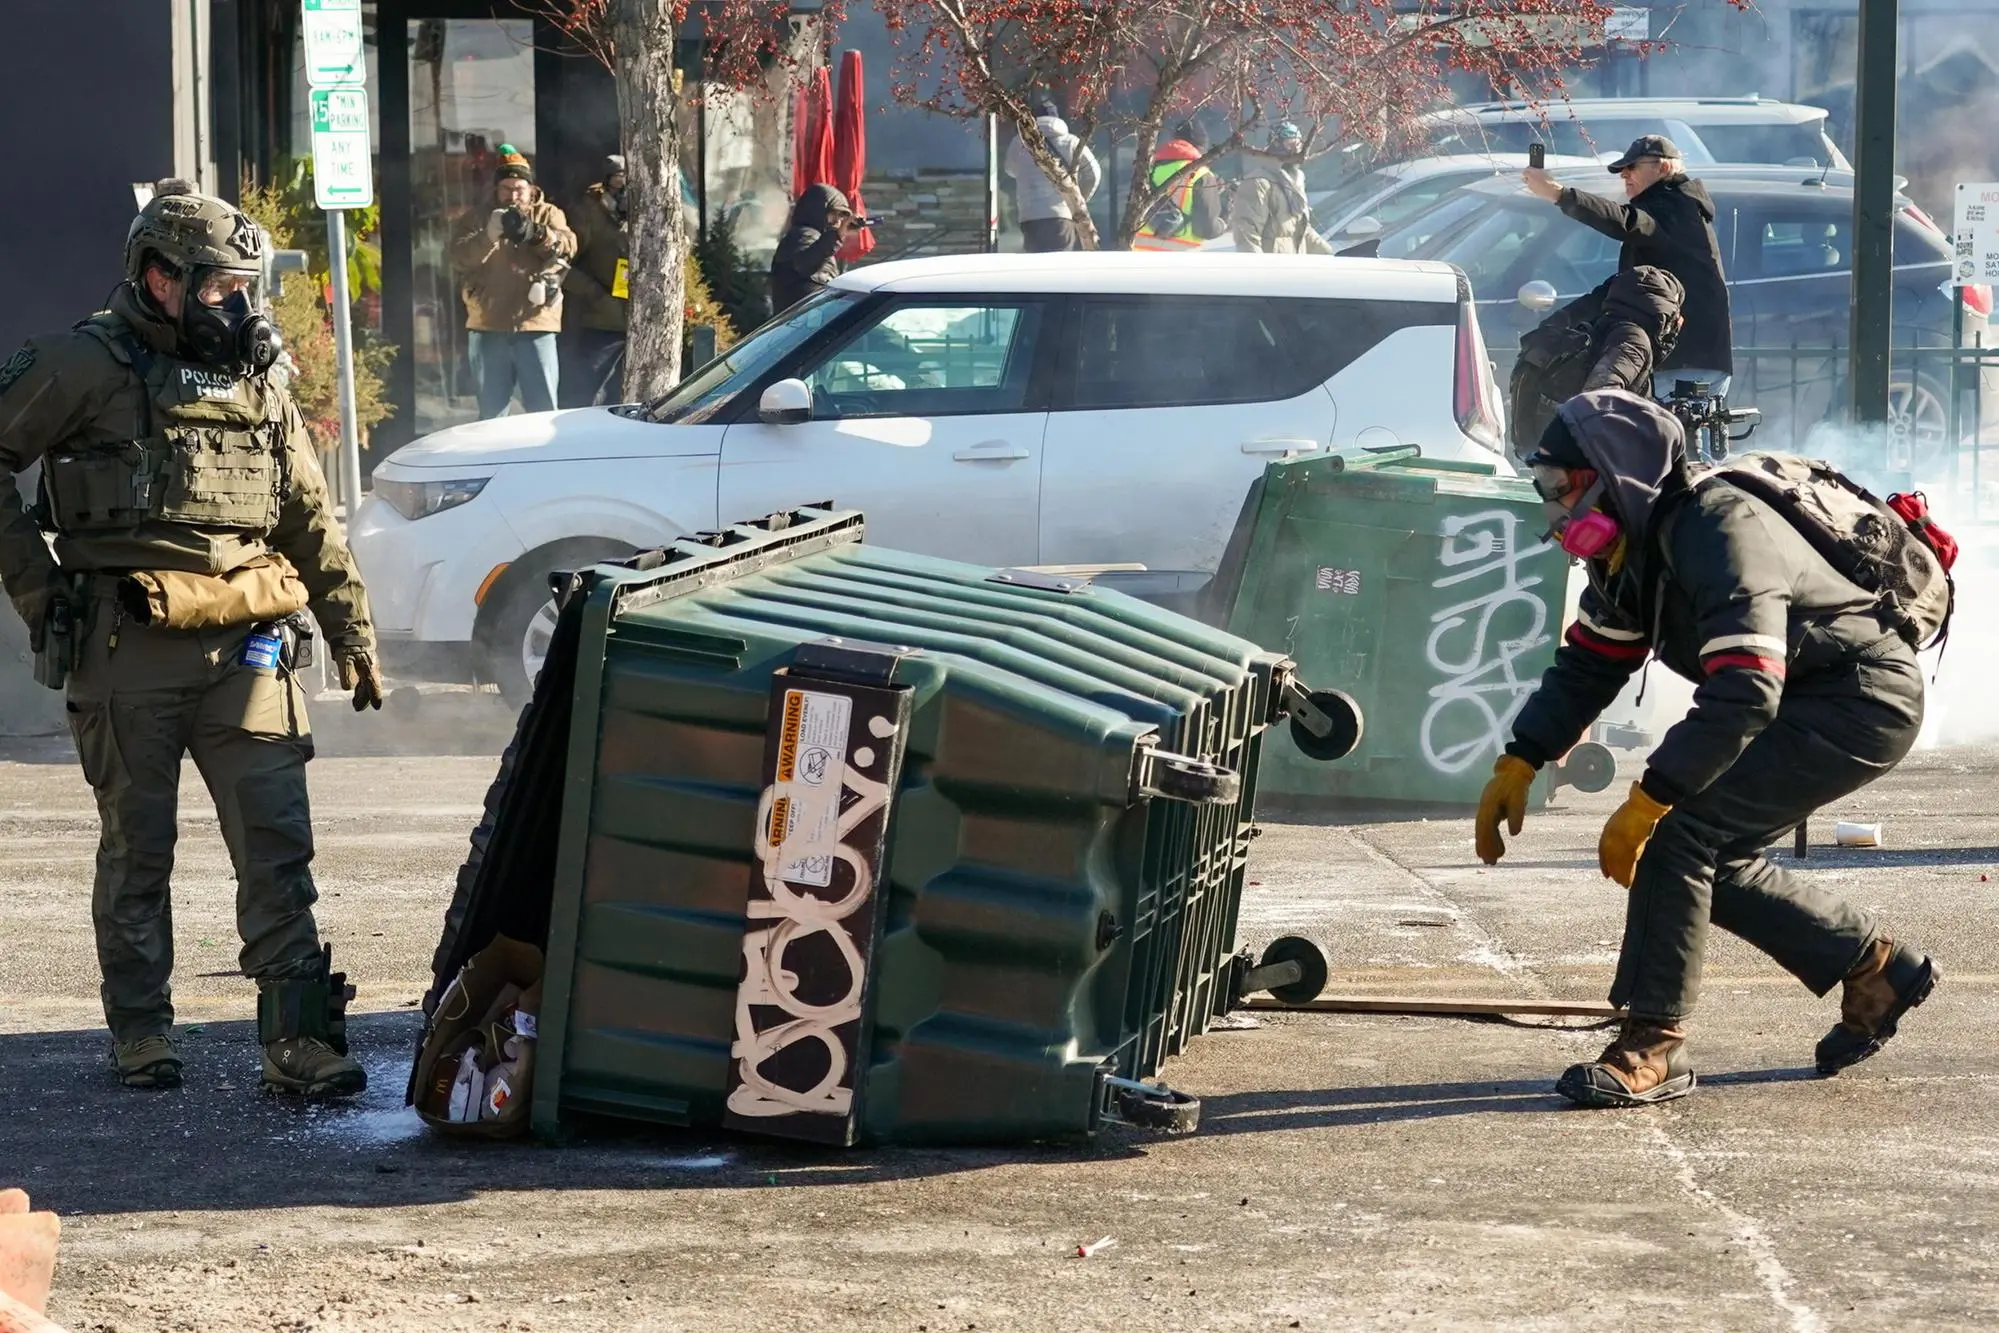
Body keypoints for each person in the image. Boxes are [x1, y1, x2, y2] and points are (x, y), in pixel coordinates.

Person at [0, 185, 386, 1097]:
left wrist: (350, 627)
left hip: (248, 644)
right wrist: (39, 590)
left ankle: (297, 1038)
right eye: (219, 287)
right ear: (158, 277)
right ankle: (140, 1031)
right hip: (125, 646)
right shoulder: (80, 365)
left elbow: (307, 514)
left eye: (246, 287)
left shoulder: (257, 378)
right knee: (138, 849)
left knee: (276, 842)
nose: (239, 307)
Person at [1475, 389, 1937, 1108]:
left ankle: (1651, 1044)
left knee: (1677, 836)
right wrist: (1522, 755)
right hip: (1806, 696)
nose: (1553, 508)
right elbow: (1592, 661)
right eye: (1543, 489)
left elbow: (1746, 687)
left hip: (1857, 699)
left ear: (1611, 473)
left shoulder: (1717, 528)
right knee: (1704, 855)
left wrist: (1652, 794)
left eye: (1558, 487)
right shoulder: (1631, 545)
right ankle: (1873, 968)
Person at [1523, 135, 1732, 398]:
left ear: (1664, 167)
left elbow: (1624, 220)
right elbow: (1623, 290)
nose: (1624, 175)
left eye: (1632, 167)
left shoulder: (1676, 207)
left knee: (1651, 435)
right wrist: (1563, 321)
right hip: (1682, 359)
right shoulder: (1669, 212)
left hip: (1686, 361)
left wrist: (1558, 193)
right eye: (1621, 169)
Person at [452, 144, 577, 419]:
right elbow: (458, 258)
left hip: (535, 323)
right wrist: (488, 236)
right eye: (506, 188)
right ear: (496, 190)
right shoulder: (477, 218)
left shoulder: (549, 214)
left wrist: (536, 234)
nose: (513, 195)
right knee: (491, 414)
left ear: (531, 189)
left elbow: (568, 246)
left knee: (543, 411)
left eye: (519, 188)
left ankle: (543, 461)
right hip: (488, 324)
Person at [1508, 265, 1686, 457]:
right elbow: (1598, 397)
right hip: (1585, 460)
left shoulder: (1602, 326)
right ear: (1664, 309)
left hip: (1548, 450)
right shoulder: (1633, 339)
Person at [560, 154, 629, 408]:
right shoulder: (589, 212)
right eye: (618, 177)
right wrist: (594, 293)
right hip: (601, 322)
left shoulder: (646, 210)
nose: (623, 184)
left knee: (626, 398)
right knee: (587, 393)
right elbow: (562, 266)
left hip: (639, 323)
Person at [1004, 100, 1101, 253]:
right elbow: (1093, 173)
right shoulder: (1071, 142)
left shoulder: (1019, 142)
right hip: (1062, 216)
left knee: (1035, 268)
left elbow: (1009, 169)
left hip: (1029, 215)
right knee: (1059, 267)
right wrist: (1077, 201)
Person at [1231, 122, 1333, 255]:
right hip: (1273, 269)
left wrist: (1330, 255)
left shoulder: (1295, 180)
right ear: (1276, 146)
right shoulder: (1259, 183)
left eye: (1298, 144)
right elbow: (1246, 232)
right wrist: (1257, 269)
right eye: (1290, 145)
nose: (1296, 150)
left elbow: (1301, 230)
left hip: (1293, 268)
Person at [1132, 121, 1228, 252]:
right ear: (1201, 148)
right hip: (1180, 262)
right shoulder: (1201, 175)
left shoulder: (1149, 171)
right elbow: (1206, 229)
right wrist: (1225, 219)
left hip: (1141, 258)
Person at [770, 183, 861, 314]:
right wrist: (836, 236)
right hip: (803, 321)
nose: (837, 221)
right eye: (833, 214)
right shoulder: (803, 235)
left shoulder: (817, 237)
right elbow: (805, 263)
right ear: (818, 211)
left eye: (841, 216)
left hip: (806, 320)